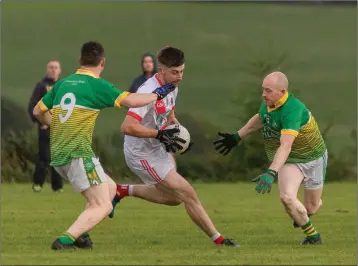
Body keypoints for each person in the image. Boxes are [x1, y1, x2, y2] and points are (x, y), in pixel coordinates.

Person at [32, 41, 177, 250]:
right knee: (103, 205)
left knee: (110, 189)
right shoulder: (97, 85)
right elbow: (132, 101)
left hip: (60, 155)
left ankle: (82, 234)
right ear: (103, 62)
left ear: (80, 61)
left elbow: (38, 111)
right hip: (78, 154)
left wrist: (55, 125)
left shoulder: (63, 83)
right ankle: (64, 240)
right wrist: (158, 93)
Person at [109, 46, 237, 248]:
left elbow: (169, 117)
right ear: (161, 71)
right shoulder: (146, 92)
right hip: (140, 154)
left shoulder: (172, 86)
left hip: (157, 148)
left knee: (174, 198)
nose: (180, 77)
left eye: (182, 71)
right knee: (187, 192)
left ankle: (121, 190)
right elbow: (127, 127)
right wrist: (159, 134)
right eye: (175, 72)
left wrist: (180, 135)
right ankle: (219, 240)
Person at [213, 71, 327, 245]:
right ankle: (313, 237)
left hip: (313, 158)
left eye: (268, 91)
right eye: (263, 90)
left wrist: (270, 172)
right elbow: (260, 119)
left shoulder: (293, 110)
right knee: (287, 198)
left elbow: (286, 145)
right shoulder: (269, 103)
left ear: (282, 92)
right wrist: (237, 137)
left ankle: (308, 210)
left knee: (311, 207)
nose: (263, 95)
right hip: (291, 161)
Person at [27, 60, 64, 193]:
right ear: (47, 70)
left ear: (60, 70)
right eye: (51, 67)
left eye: (56, 67)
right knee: (44, 157)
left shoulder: (63, 86)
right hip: (45, 127)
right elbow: (32, 105)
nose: (53, 70)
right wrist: (40, 121)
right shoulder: (41, 86)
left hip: (60, 127)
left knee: (58, 157)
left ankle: (57, 186)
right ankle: (38, 184)